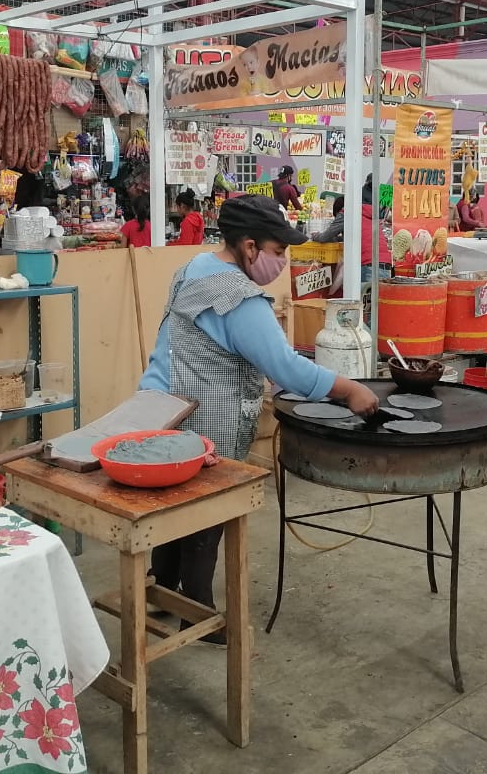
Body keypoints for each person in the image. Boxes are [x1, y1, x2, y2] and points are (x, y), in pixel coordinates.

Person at [139, 194, 379, 639]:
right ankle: (200, 613)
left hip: (163, 405)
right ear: (250, 247)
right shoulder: (240, 296)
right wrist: (349, 389)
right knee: (205, 516)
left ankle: (161, 593)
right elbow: (284, 367)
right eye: (279, 251)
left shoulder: (193, 269)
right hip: (209, 418)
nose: (282, 261)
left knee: (173, 507)